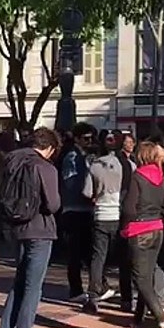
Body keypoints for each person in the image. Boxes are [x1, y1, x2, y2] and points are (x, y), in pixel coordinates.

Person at [0, 127, 61, 328]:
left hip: (17, 226)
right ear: (50, 148)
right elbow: (53, 204)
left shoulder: (12, 162)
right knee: (34, 285)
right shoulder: (44, 167)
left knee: (20, 281)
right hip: (40, 229)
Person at [120, 140, 164, 328]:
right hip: (157, 229)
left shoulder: (137, 177)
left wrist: (126, 227)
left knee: (140, 279)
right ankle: (136, 324)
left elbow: (128, 208)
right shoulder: (163, 179)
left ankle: (163, 322)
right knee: (146, 278)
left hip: (138, 230)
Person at [82, 133, 131, 314]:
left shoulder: (94, 166)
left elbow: (87, 192)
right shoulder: (128, 166)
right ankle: (126, 299)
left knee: (98, 257)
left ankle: (93, 296)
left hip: (101, 215)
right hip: (121, 216)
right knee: (124, 259)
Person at [58, 123, 97, 303]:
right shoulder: (72, 157)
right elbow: (70, 182)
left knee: (88, 251)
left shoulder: (86, 157)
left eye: (91, 138)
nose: (90, 142)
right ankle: (75, 289)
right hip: (74, 209)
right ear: (77, 139)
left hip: (86, 209)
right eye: (86, 139)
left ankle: (94, 286)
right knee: (75, 252)